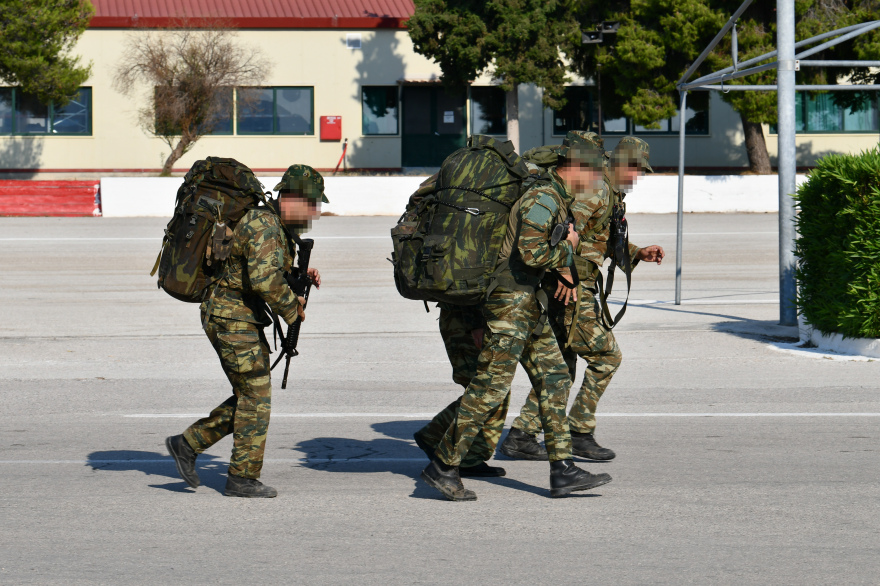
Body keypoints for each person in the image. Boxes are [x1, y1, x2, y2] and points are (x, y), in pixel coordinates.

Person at [420, 132, 613, 500]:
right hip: (509, 304)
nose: (596, 178)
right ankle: (443, 464)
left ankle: (562, 469)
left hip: (528, 302)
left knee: (555, 377)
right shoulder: (543, 197)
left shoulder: (555, 195)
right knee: (490, 386)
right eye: (593, 170)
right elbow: (532, 253)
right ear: (575, 165)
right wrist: (569, 249)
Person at [165, 164, 327, 498]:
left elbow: (262, 266)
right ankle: (242, 477)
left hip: (237, 317)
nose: (314, 212)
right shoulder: (265, 224)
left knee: (250, 393)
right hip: (231, 318)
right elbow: (264, 281)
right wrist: (293, 308)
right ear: (291, 198)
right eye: (310, 204)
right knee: (256, 396)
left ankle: (188, 444)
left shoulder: (271, 224)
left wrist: (298, 275)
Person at [500, 136, 664, 462]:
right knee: (607, 357)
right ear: (619, 163)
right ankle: (579, 431)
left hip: (572, 285)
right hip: (571, 287)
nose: (636, 176)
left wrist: (637, 252)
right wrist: (565, 273)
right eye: (634, 168)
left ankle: (521, 435)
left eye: (640, 171)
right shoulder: (597, 190)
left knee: (563, 364)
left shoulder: (610, 193)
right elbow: (562, 230)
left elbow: (596, 240)